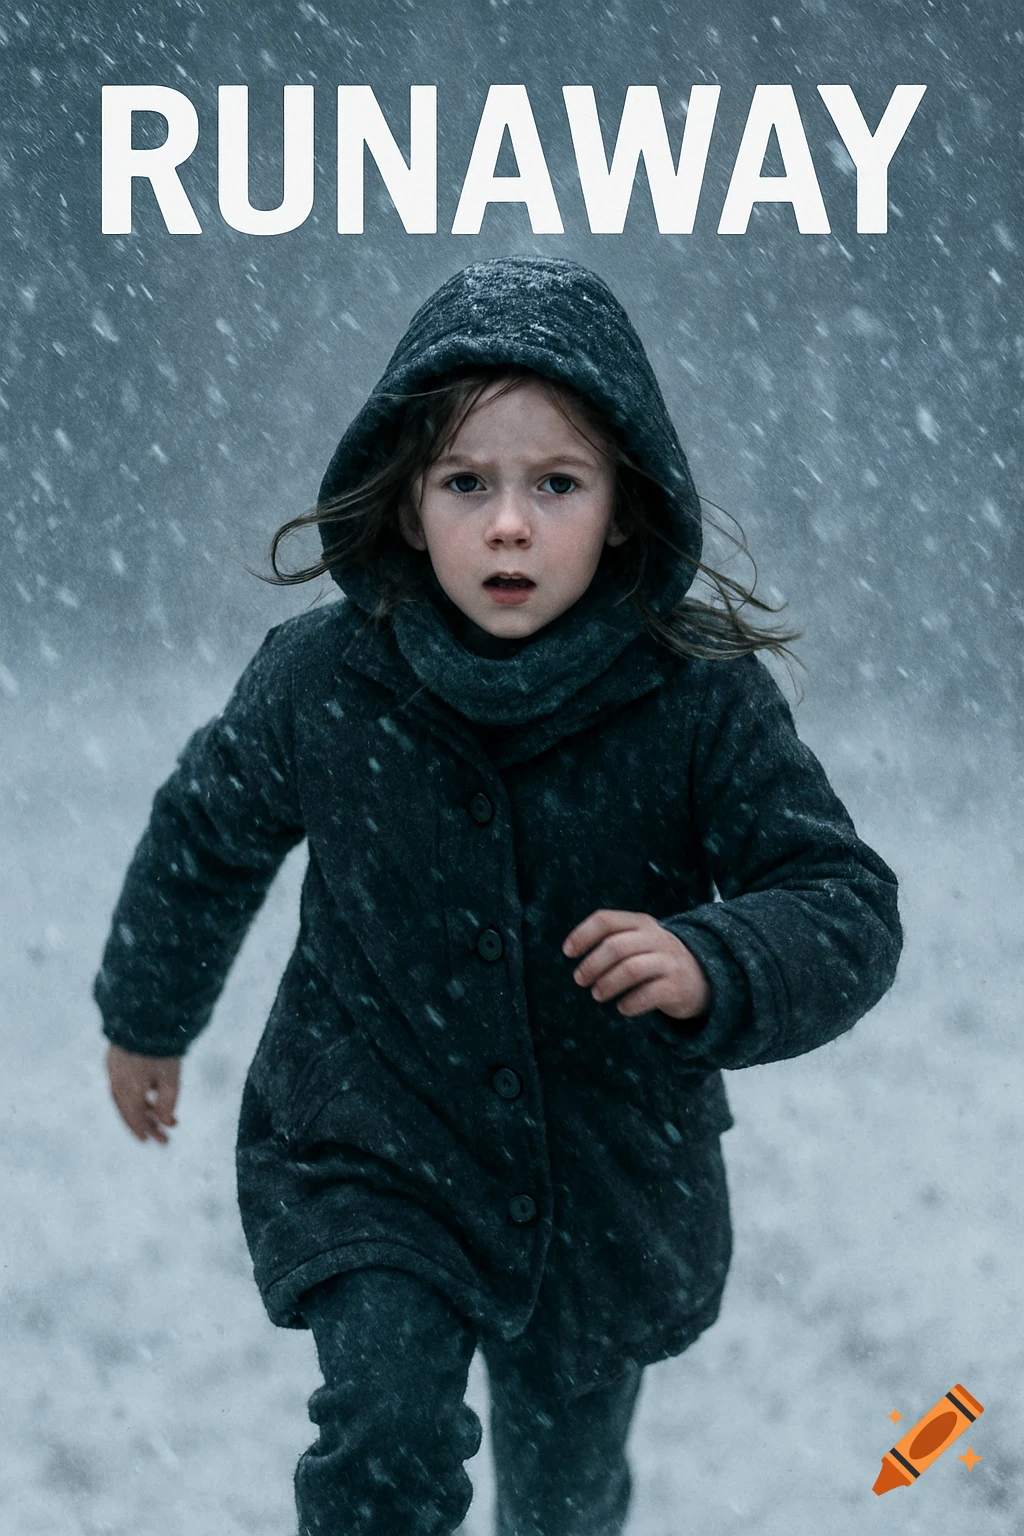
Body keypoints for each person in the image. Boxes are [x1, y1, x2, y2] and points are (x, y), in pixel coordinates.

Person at [95, 255, 902, 1536]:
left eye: (556, 485)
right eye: (467, 482)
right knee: (385, 1438)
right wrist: (147, 1009)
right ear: (410, 506)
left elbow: (843, 903)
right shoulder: (322, 684)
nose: (509, 523)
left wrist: (718, 959)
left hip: (604, 1177)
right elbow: (208, 832)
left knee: (564, 1496)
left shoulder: (695, 701)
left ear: (625, 508)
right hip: (376, 1142)